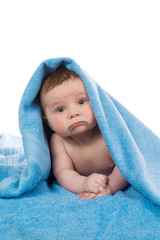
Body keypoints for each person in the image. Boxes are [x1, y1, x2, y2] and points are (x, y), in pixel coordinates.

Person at [39, 68, 129, 199]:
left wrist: (111, 187)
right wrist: (84, 183)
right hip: (88, 181)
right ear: (47, 121)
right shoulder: (59, 141)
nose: (73, 113)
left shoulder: (107, 131)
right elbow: (63, 172)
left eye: (81, 102)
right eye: (60, 109)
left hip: (115, 179)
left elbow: (127, 163)